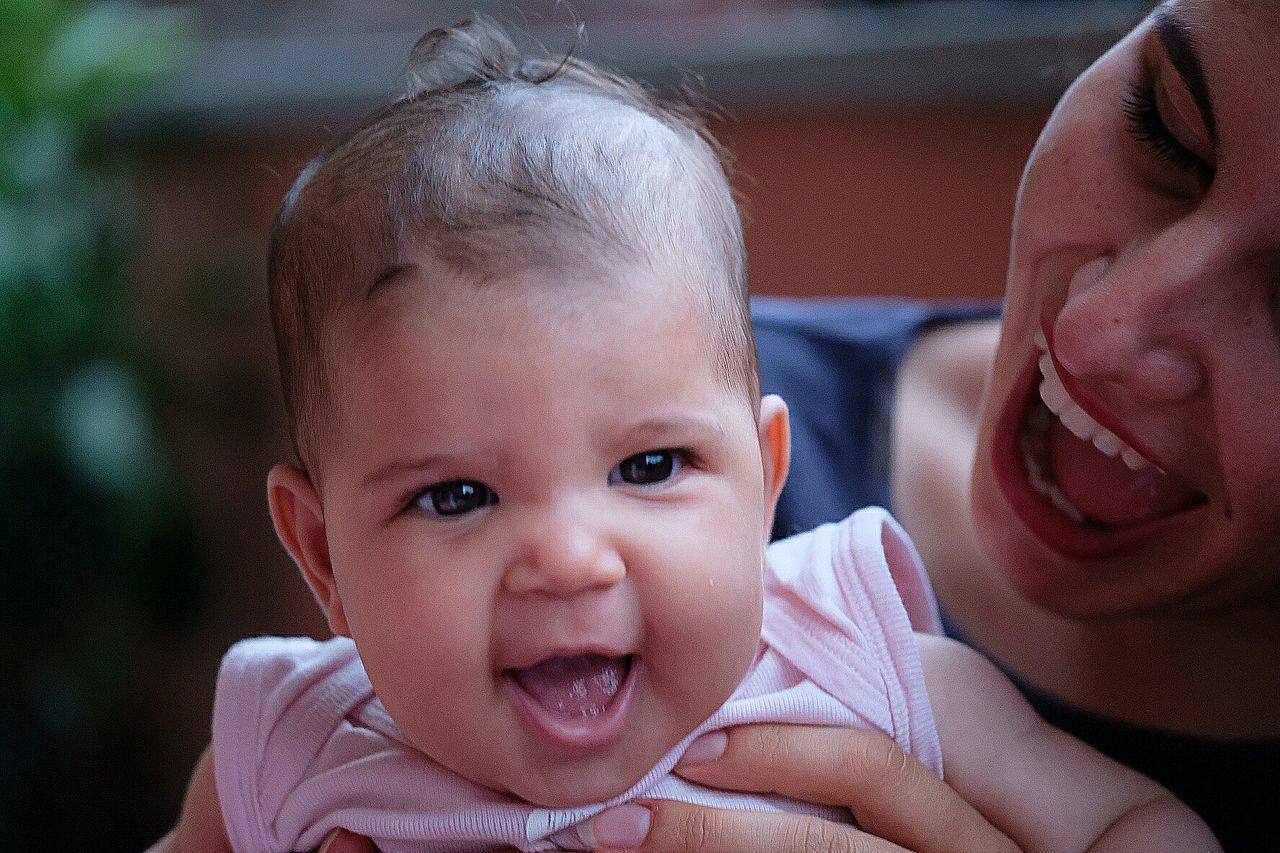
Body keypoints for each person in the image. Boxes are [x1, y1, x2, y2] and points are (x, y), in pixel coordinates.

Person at [150, 15, 1218, 853]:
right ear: (324, 552)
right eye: (456, 496)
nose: (569, 558)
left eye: (648, 466)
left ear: (765, 482)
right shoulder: (292, 744)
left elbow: (1131, 826)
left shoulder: (862, 666)